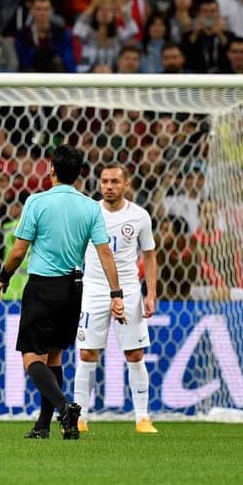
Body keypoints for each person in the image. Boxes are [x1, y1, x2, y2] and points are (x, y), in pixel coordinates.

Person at [0, 144, 124, 441]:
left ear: (51, 170)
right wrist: (116, 293)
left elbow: (17, 251)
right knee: (54, 358)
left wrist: (3, 276)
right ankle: (44, 426)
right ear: (79, 174)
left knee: (32, 359)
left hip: (42, 286)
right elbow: (105, 253)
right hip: (73, 288)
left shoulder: (37, 202)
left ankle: (65, 407)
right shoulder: (91, 207)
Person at [72, 164, 159, 435]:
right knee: (87, 352)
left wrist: (151, 293)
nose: (109, 187)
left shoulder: (140, 216)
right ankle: (80, 416)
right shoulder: (88, 212)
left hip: (130, 290)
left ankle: (142, 417)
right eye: (104, 181)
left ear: (126, 185)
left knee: (134, 353)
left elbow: (150, 254)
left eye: (114, 182)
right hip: (93, 289)